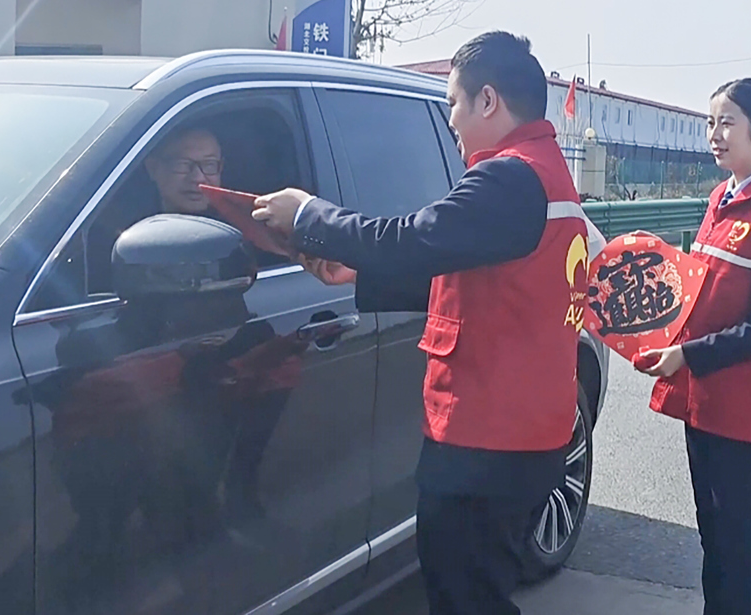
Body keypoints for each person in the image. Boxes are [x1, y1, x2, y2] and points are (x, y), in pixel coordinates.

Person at [251, 31, 603, 615]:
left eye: (454, 104)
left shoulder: (508, 176)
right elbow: (477, 277)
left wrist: (309, 214)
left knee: (464, 598)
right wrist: (354, 275)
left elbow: (412, 239)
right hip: (523, 436)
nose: (451, 121)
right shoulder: (547, 175)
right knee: (478, 593)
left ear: (487, 100)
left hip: (486, 441)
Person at [637, 78, 751, 615]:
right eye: (710, 123)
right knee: (714, 542)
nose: (714, 134)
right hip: (707, 403)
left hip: (745, 412)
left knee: (741, 551)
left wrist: (688, 355)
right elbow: (701, 293)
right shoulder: (721, 200)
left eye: (726, 123)